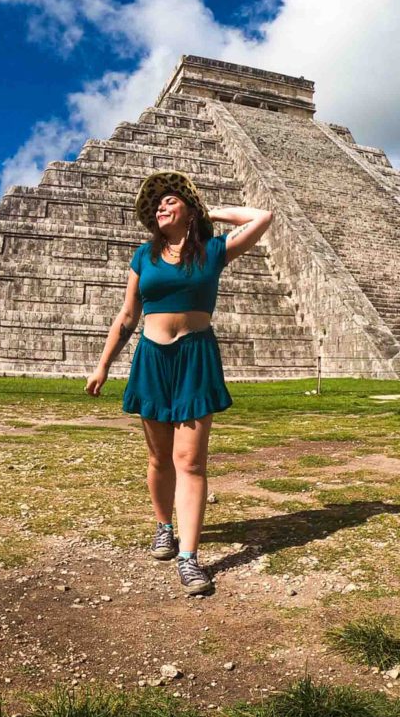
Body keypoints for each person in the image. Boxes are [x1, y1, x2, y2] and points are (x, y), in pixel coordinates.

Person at [85, 171, 273, 595]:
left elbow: (263, 216)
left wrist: (210, 211)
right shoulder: (143, 257)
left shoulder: (212, 251)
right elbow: (127, 317)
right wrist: (102, 366)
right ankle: (163, 526)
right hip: (152, 359)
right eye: (157, 205)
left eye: (171, 201)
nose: (161, 207)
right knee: (158, 460)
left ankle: (189, 558)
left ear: (189, 209)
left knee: (190, 462)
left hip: (195, 358)